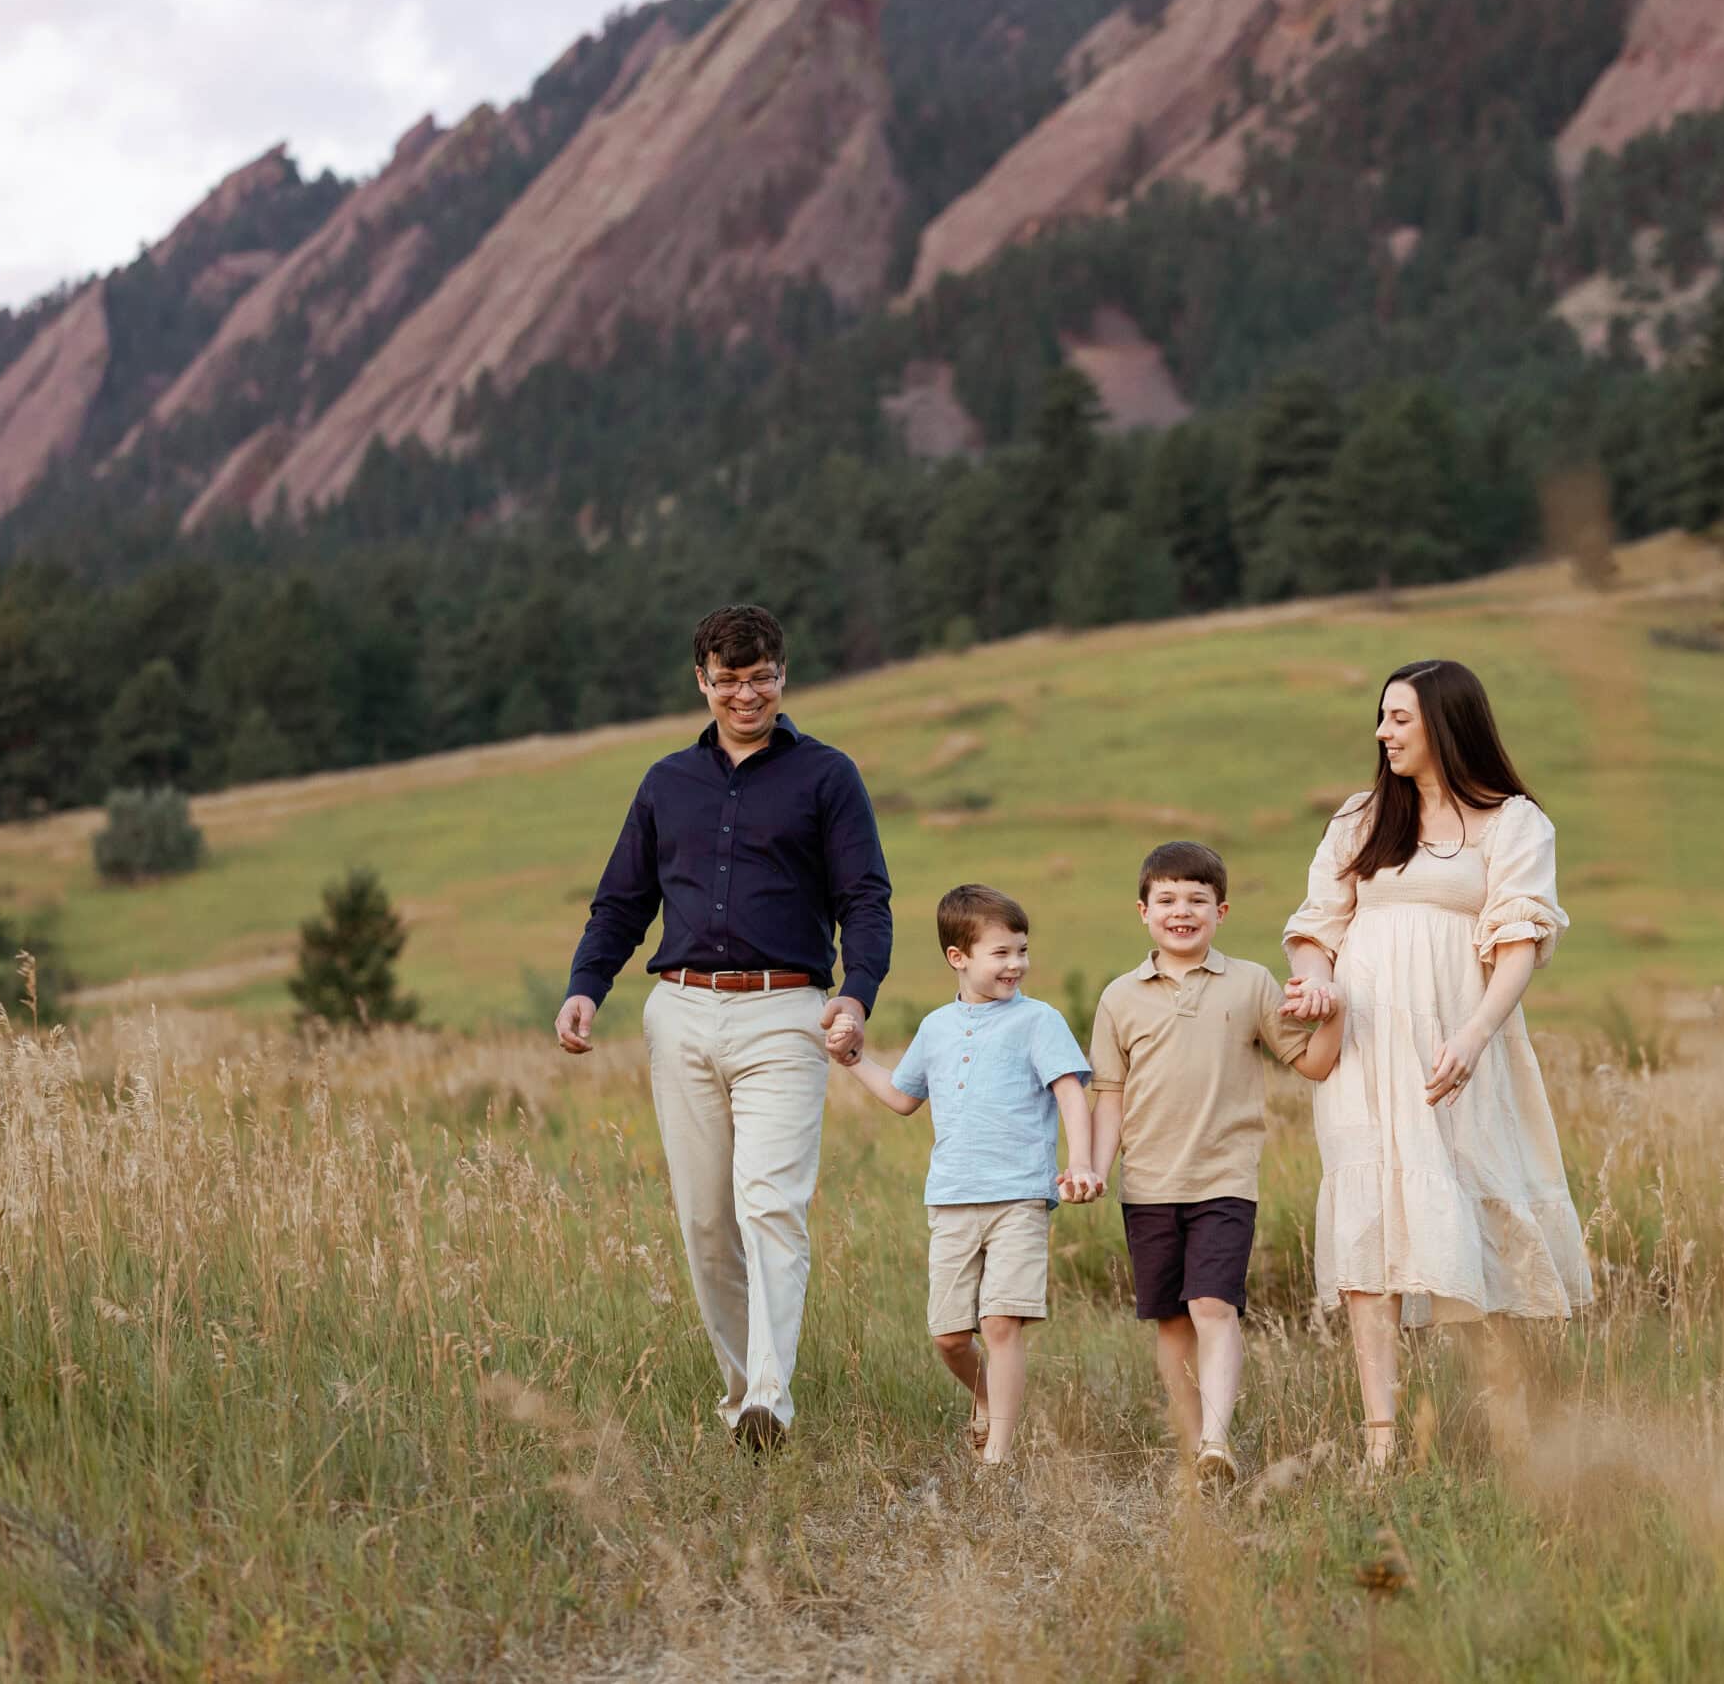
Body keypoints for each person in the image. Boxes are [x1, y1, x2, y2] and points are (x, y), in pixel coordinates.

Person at [554, 605, 892, 1454]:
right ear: (702, 682)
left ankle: (771, 1401)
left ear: (784, 674)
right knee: (706, 1221)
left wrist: (857, 995)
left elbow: (865, 899)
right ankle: (742, 1388)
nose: (747, 692)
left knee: (769, 1203)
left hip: (787, 1011)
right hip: (681, 1011)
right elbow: (623, 899)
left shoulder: (828, 776)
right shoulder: (667, 782)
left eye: (762, 675)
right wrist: (587, 986)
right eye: (729, 678)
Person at [1279, 659, 1594, 1473]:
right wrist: (1315, 980)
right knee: (1367, 1220)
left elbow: (1519, 945)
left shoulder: (1514, 823)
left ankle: (1511, 1424)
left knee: (1472, 1209)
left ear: (1446, 724)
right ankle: (1381, 1442)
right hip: (1364, 1046)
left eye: (1399, 718)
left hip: (1460, 1043)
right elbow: (1318, 924)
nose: (1383, 733)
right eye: (1381, 717)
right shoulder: (1360, 818)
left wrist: (1477, 1034)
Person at [1084, 841, 1342, 1488]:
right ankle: (1194, 1446)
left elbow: (1310, 1061)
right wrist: (1090, 1164)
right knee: (1172, 1321)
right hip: (1147, 1184)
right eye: (1167, 899)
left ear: (1220, 910)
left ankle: (1218, 1441)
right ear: (1142, 911)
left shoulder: (1251, 982)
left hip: (1225, 1179)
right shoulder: (1119, 997)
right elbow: (1109, 1097)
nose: (1182, 911)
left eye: (1196, 899)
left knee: (1212, 1305)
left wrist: (1336, 1012)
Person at [833, 884, 1100, 1466]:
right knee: (950, 1338)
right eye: (1001, 953)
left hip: (1020, 1198)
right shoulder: (935, 1028)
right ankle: (986, 1398)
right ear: (959, 958)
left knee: (1000, 1322)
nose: (1017, 965)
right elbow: (904, 1099)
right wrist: (854, 1062)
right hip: (952, 1199)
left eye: (1022, 951)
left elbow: (1071, 1094)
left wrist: (1079, 1162)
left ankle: (997, 1459)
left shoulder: (1039, 1020)